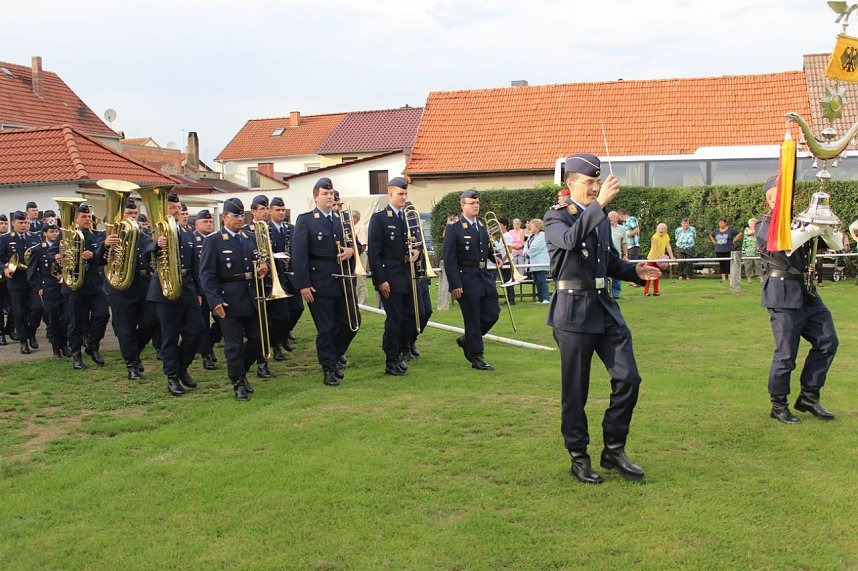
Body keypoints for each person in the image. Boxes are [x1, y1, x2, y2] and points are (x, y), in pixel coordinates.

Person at [545, 154, 661, 484]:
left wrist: (635, 271)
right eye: (590, 182)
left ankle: (613, 448)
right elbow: (569, 242)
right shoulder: (556, 218)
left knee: (629, 378)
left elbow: (609, 263)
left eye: (598, 182)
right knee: (576, 391)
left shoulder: (597, 218)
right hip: (572, 313)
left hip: (604, 308)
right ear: (571, 184)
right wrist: (601, 207)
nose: (596, 187)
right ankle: (578, 456)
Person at [756, 175, 840, 423]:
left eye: (786, 196)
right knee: (786, 354)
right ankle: (778, 404)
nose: (781, 200)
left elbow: (832, 244)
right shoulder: (764, 224)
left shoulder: (798, 222)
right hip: (782, 294)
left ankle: (809, 396)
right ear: (769, 200)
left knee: (828, 341)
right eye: (775, 196)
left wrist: (823, 226)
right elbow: (783, 244)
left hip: (807, 292)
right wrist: (811, 228)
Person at [292, 177, 360, 386]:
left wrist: (352, 250)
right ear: (316, 197)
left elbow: (356, 245)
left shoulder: (342, 218)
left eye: (331, 194)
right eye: (325, 194)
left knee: (352, 324)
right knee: (326, 328)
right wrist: (303, 284)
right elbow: (299, 254)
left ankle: (335, 354)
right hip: (319, 281)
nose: (329, 197)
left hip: (343, 281)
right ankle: (328, 367)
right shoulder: (306, 220)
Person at [199, 198, 267, 401]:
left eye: (241, 215)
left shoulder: (249, 237)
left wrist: (263, 269)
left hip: (251, 296)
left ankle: (242, 370)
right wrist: (215, 301)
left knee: (258, 340)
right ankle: (237, 382)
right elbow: (207, 275)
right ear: (224, 217)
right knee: (233, 344)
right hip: (228, 299)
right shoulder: (214, 241)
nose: (239, 219)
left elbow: (257, 263)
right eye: (235, 216)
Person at [147, 193, 204, 397]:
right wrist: (156, 245)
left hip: (187, 287)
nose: (177, 210)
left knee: (196, 330)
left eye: (178, 207)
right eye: (172, 207)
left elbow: (195, 265)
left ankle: (182, 367)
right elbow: (145, 254)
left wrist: (198, 291)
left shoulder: (188, 233)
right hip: (164, 289)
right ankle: (172, 376)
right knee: (169, 336)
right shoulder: (155, 231)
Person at [442, 189, 500, 371]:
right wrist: (455, 284)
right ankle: (476, 356)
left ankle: (468, 339)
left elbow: (485, 246)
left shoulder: (481, 225)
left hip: (484, 276)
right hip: (466, 277)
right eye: (471, 203)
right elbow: (449, 259)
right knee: (473, 318)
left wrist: (493, 257)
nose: (476, 206)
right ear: (462, 205)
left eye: (477, 203)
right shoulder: (454, 228)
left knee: (493, 312)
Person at [368, 177, 419, 376]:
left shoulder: (407, 217)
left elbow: (413, 243)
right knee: (395, 320)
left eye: (405, 194)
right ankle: (391, 360)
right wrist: (380, 280)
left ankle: (397, 353)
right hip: (389, 276)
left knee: (408, 319)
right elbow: (374, 252)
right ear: (390, 194)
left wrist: (416, 253)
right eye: (400, 194)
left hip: (405, 275)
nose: (404, 198)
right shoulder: (380, 218)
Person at [101, 199, 157, 380]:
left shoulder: (144, 236)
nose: (133, 218)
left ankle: (134, 352)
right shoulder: (112, 235)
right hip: (121, 287)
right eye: (129, 214)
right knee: (126, 328)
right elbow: (98, 260)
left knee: (151, 322)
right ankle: (131, 365)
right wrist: (105, 246)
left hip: (144, 283)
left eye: (135, 214)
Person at [63, 204, 110, 370]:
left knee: (103, 314)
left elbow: (104, 258)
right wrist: (61, 256)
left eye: (89, 216)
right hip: (75, 285)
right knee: (75, 322)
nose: (87, 219)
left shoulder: (98, 236)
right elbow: (54, 252)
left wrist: (94, 255)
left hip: (94, 284)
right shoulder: (68, 235)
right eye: (83, 217)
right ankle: (76, 355)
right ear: (76, 219)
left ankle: (93, 345)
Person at [244, 194, 286, 379]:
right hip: (256, 285)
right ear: (253, 211)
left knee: (281, 319)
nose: (266, 212)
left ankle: (270, 348)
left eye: (267, 208)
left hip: (273, 282)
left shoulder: (272, 229)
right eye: (262, 209)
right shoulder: (247, 230)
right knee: (261, 325)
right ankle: (261, 362)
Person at [0, 211, 43, 354]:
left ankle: (31, 333)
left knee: (37, 309)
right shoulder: (6, 239)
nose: (24, 225)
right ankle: (24, 341)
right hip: (16, 281)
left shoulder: (35, 237)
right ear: (13, 223)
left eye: (26, 222)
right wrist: (4, 268)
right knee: (19, 313)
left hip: (33, 280)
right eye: (21, 223)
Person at [268, 197, 301, 361]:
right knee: (280, 316)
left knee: (297, 308)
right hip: (276, 277)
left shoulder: (291, 228)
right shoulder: (266, 228)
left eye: (283, 210)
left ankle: (284, 334)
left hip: (291, 275)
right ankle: (276, 346)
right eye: (277, 210)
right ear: (270, 211)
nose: (281, 213)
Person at [30, 223, 69, 358]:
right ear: (45, 233)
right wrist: (39, 287)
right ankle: (56, 347)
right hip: (49, 286)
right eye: (52, 232)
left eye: (56, 231)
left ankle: (65, 344)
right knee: (52, 319)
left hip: (64, 285)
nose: (55, 234)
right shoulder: (38, 249)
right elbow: (32, 272)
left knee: (66, 317)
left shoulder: (64, 246)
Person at [192, 209, 221, 370]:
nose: (209, 224)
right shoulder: (193, 239)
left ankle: (208, 343)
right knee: (202, 323)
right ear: (196, 224)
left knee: (221, 322)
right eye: (205, 221)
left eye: (210, 222)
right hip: (200, 289)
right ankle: (206, 355)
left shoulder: (216, 239)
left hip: (214, 288)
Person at [643, 223, 674, 297]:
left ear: (665, 230)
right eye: (659, 228)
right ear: (657, 229)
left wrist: (672, 257)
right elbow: (655, 248)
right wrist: (660, 258)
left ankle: (656, 292)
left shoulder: (666, 236)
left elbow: (668, 246)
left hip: (660, 259)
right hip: (652, 258)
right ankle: (646, 292)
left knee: (657, 275)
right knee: (649, 275)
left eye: (663, 228)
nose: (661, 230)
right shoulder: (655, 236)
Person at [524, 219, 550, 303]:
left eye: (532, 226)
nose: (530, 227)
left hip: (540, 261)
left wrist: (527, 253)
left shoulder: (542, 235)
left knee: (542, 280)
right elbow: (526, 246)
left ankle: (546, 298)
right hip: (532, 262)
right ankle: (541, 298)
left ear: (537, 227)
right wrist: (525, 252)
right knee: (536, 281)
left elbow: (535, 247)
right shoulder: (531, 236)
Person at [710, 217, 741, 282]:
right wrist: (714, 242)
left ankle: (730, 277)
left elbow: (739, 233)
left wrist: (735, 240)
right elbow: (711, 235)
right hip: (719, 250)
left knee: (728, 264)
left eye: (722, 222)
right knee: (721, 264)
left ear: (725, 223)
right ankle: (723, 278)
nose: (720, 224)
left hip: (728, 249)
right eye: (719, 223)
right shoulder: (716, 231)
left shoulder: (730, 230)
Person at [607, 211, 628, 299]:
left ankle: (616, 295)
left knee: (617, 276)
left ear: (617, 218)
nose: (610, 218)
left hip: (616, 256)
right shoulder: (603, 227)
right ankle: (605, 295)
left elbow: (624, 243)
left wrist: (625, 254)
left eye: (612, 216)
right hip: (605, 255)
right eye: (609, 216)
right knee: (604, 276)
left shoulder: (622, 229)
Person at [352, 210, 369, 306]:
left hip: (360, 256)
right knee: (356, 281)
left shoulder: (361, 228)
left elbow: (363, 245)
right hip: (355, 255)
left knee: (361, 280)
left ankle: (363, 303)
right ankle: (358, 302)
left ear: (356, 218)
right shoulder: (353, 227)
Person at [741, 218, 763, 283]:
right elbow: (750, 232)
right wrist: (758, 230)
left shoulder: (759, 229)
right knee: (748, 266)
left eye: (754, 223)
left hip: (756, 251)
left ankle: (761, 279)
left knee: (758, 265)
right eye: (751, 223)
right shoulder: (747, 229)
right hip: (747, 252)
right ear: (749, 224)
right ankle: (749, 279)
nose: (753, 224)